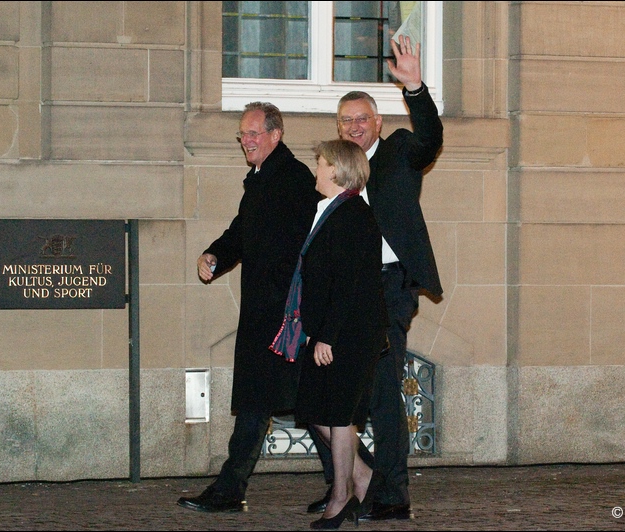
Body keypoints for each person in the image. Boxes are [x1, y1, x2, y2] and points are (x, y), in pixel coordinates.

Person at [306, 34, 444, 522]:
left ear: (378, 123)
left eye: (363, 119)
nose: (355, 127)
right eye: (346, 121)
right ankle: (348, 482)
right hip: (345, 296)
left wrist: (415, 88)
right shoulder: (335, 173)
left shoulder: (400, 152)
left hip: (388, 291)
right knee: (328, 395)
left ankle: (392, 494)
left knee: (383, 391)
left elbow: (430, 138)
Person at [177, 102, 321, 513]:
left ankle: (357, 481)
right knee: (279, 403)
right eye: (242, 134)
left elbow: (299, 248)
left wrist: (284, 304)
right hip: (266, 312)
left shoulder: (292, 179)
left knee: (300, 405)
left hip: (281, 315)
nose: (247, 141)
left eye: (254, 133)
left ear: (276, 135)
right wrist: (215, 256)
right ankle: (232, 486)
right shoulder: (262, 178)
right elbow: (242, 232)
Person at [275, 139, 388, 529]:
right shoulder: (330, 210)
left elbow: (349, 284)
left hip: (349, 334)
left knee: (339, 415)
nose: (317, 170)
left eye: (321, 163)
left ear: (338, 170)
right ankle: (364, 476)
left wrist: (327, 336)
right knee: (314, 408)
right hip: (333, 330)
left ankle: (341, 499)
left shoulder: (354, 215)